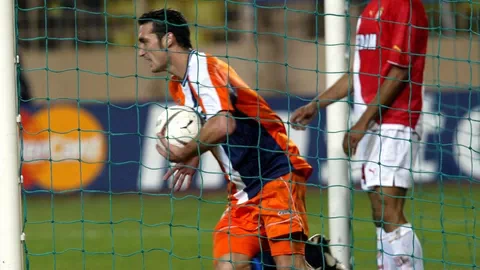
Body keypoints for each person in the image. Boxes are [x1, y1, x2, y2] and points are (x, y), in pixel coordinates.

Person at [137, 8, 314, 270]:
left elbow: (224, 123)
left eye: (144, 42)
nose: (141, 52)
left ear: (168, 39)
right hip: (243, 191)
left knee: (289, 265)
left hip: (275, 173)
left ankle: (317, 260)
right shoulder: (179, 84)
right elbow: (208, 122)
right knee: (229, 266)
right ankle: (318, 260)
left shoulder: (203, 69)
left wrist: (186, 151)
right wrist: (195, 154)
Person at [290, 0, 428, 269]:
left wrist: (363, 122)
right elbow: (357, 73)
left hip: (397, 118)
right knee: (379, 210)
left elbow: (400, 70)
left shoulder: (403, 5)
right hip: (373, 120)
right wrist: (316, 105)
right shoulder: (369, 10)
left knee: (390, 209)